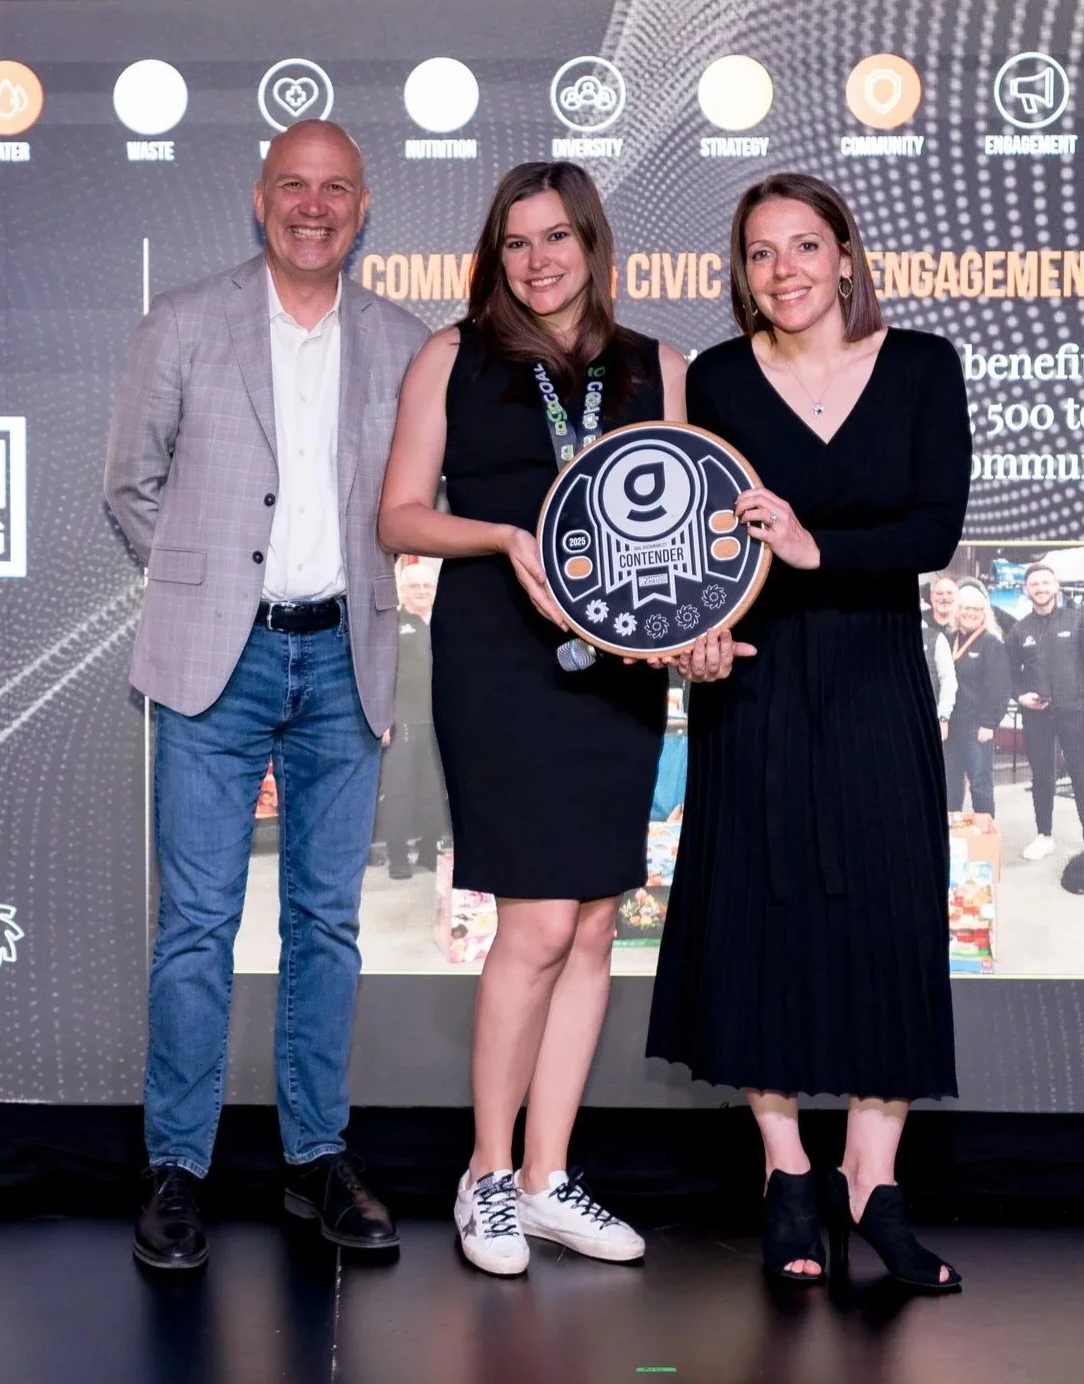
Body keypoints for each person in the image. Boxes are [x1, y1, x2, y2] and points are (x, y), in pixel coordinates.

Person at [104, 120, 430, 1271]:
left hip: (346, 659)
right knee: (195, 925)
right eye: (294, 184)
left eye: (335, 187)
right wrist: (206, 590)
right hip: (216, 663)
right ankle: (177, 1171)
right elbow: (130, 487)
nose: (313, 204)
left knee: (326, 925)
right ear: (260, 200)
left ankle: (314, 1162)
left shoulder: (402, 339)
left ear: (362, 206)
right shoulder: (187, 321)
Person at [646, 172, 969, 1292]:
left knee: (887, 915)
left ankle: (872, 1182)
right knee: (759, 916)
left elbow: (937, 524)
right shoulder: (722, 379)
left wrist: (814, 546)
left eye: (803, 246)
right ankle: (786, 1173)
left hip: (877, 668)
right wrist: (694, 633)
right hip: (758, 676)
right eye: (760, 253)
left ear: (845, 255)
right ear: (742, 273)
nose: (782, 271)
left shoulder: (924, 365)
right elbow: (699, 544)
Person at [378, 161, 685, 1276]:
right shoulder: (453, 356)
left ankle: (552, 1178)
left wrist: (692, 622)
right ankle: (487, 1175)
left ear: (593, 245)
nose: (540, 260)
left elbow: (688, 527)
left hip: (619, 660)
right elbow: (400, 514)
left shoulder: (659, 365)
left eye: (559, 237)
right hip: (499, 655)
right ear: (493, 255)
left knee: (596, 922)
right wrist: (507, 537)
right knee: (537, 926)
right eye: (518, 243)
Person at [1010, 562, 1084, 858]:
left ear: (1056, 587)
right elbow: (1010, 672)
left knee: (1082, 776)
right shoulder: (1019, 629)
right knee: (1041, 777)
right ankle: (1044, 835)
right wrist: (1020, 696)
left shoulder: (1079, 621)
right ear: (1026, 590)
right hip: (1037, 716)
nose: (1040, 588)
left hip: (1075, 712)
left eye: (1045, 583)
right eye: (1034, 584)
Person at [376, 557, 446, 879]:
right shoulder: (391, 626)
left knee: (435, 793)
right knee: (399, 793)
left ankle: (430, 853)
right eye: (414, 586)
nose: (421, 591)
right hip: (401, 723)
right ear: (402, 591)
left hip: (440, 725)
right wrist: (383, 720)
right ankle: (398, 857)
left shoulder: (446, 623)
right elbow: (380, 675)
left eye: (427, 585)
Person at [946, 582, 1011, 816]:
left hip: (976, 726)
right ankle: (950, 836)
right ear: (957, 610)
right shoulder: (949, 638)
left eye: (975, 609)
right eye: (965, 608)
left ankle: (986, 834)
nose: (969, 613)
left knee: (980, 782)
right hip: (950, 725)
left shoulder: (991, 643)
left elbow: (999, 687)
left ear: (984, 613)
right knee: (951, 783)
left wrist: (989, 723)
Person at [922, 575, 959, 740]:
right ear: (931, 597)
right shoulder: (922, 628)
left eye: (949, 593)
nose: (944, 598)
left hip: (963, 716)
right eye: (939, 594)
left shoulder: (969, 622)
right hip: (932, 712)